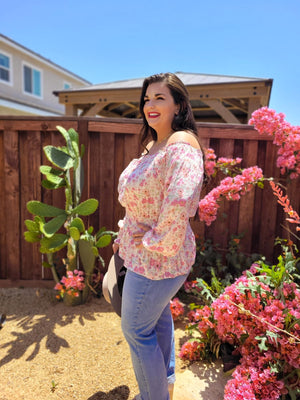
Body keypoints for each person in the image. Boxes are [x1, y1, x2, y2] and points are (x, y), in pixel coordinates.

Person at [112, 72, 204, 400]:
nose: (150, 105)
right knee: (157, 318)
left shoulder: (181, 144)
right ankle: (163, 385)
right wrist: (126, 236)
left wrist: (150, 242)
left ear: (178, 106)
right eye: (147, 99)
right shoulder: (154, 144)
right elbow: (144, 202)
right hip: (142, 255)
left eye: (160, 98)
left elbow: (180, 201)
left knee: (136, 329)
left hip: (158, 260)